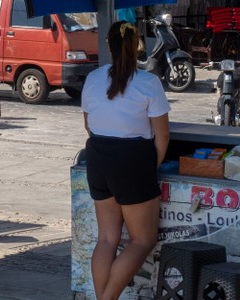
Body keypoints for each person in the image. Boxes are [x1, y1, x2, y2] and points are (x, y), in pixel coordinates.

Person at [81, 20, 170, 300]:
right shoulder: (149, 82)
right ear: (138, 46)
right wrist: (148, 168)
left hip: (97, 157)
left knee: (107, 239)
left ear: (109, 45)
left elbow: (89, 124)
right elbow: (162, 136)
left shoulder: (93, 78)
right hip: (132, 161)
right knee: (142, 240)